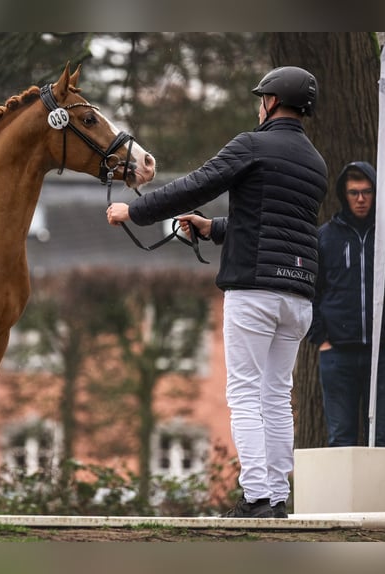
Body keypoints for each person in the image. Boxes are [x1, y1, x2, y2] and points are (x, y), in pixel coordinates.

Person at [106, 66, 327, 518]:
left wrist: (135, 210)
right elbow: (277, 223)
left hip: (255, 291)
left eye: (260, 98)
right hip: (299, 294)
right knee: (276, 396)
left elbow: (197, 184)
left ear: (271, 101)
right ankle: (278, 498)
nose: (257, 105)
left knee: (245, 394)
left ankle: (256, 497)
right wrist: (212, 228)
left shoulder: (252, 144)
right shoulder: (316, 162)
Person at [307, 161, 385, 448]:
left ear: (376, 193)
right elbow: (308, 290)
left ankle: (379, 495)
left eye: (367, 192)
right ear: (343, 195)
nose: (360, 199)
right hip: (336, 355)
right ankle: (342, 496)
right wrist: (321, 338)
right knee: (340, 441)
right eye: (354, 192)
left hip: (384, 354)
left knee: (382, 440)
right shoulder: (325, 237)